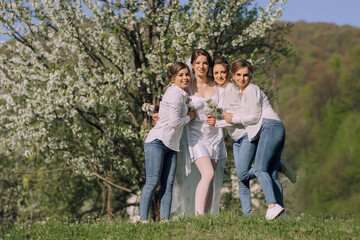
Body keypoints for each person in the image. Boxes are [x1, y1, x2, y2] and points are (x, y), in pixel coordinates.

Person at [223, 59, 287, 220]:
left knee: (259, 169)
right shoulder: (245, 92)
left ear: (250, 75)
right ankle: (282, 216)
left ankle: (272, 205)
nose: (242, 79)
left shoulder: (251, 90)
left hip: (269, 127)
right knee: (271, 174)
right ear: (233, 75)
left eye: (245, 75)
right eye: (238, 75)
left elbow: (253, 117)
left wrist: (233, 119)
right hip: (276, 127)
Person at [139, 62, 195, 223]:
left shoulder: (181, 94)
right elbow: (173, 122)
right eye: (181, 75)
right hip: (157, 141)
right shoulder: (174, 94)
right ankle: (143, 220)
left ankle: (165, 220)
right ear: (173, 78)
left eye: (186, 74)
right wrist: (189, 117)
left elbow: (169, 116)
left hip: (171, 144)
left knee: (168, 184)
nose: (185, 78)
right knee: (152, 181)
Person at [183, 49, 227, 216]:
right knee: (207, 173)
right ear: (192, 65)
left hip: (214, 134)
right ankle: (198, 216)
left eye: (205, 63)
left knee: (211, 177)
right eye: (198, 63)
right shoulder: (187, 85)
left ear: (209, 65)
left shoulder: (217, 85)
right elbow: (175, 103)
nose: (201, 66)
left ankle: (206, 218)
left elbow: (227, 104)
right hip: (195, 134)